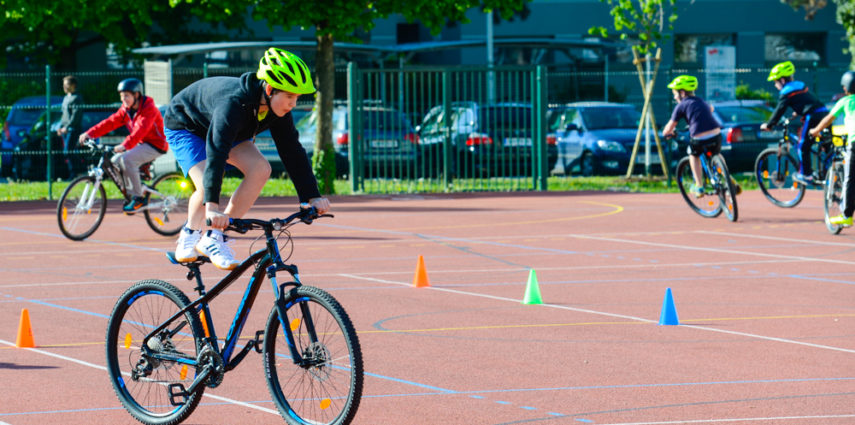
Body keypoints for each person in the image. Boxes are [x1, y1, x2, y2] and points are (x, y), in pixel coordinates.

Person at [164, 47, 329, 270]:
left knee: (261, 168)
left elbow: (292, 150)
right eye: (289, 96)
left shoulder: (278, 110)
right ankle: (188, 235)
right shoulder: (233, 104)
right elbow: (217, 152)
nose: (293, 104)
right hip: (187, 125)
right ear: (270, 89)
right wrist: (212, 209)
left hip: (227, 130)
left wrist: (311, 196)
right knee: (205, 185)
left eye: (297, 97)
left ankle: (214, 238)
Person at [79, 78, 168, 213]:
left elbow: (140, 131)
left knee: (127, 159)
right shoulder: (126, 110)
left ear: (136, 95)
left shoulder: (149, 109)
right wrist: (90, 133)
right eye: (121, 96)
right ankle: (133, 188)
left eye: (126, 95)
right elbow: (110, 123)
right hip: (140, 143)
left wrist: (125, 145)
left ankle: (138, 198)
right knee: (114, 161)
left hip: (156, 145)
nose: (123, 99)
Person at [661, 75, 740, 198]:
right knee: (716, 154)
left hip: (699, 138)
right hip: (716, 134)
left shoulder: (680, 106)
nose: (674, 97)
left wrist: (666, 133)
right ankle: (728, 177)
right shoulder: (701, 100)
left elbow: (670, 126)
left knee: (693, 154)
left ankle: (699, 186)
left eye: (675, 94)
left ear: (682, 93)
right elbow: (711, 109)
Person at [759, 60, 829, 184]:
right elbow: (807, 100)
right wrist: (798, 110)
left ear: (782, 80)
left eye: (775, 81)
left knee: (803, 146)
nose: (775, 85)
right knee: (826, 146)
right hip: (825, 114)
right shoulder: (800, 85)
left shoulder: (786, 92)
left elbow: (779, 110)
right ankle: (830, 171)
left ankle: (806, 175)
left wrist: (769, 125)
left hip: (812, 116)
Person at [809, 71, 855, 227]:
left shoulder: (845, 101)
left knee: (850, 178)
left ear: (845, 87)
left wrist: (815, 130)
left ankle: (847, 215)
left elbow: (829, 119)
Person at [58, 75, 84, 179]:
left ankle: (78, 171)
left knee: (68, 151)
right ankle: (74, 173)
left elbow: (76, 116)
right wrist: (60, 127)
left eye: (67, 84)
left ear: (73, 85)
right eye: (64, 85)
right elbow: (64, 114)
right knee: (68, 151)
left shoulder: (77, 98)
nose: (64, 87)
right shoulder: (66, 98)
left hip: (73, 129)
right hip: (65, 129)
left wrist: (67, 127)